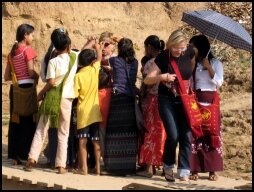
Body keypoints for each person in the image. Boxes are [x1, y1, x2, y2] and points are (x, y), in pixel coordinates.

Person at [144, 29, 196, 181]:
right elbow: (148, 79)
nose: (179, 51)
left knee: (186, 134)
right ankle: (168, 165)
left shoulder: (190, 53)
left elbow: (190, 72)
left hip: (185, 100)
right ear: (169, 45)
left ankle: (184, 170)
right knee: (173, 135)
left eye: (182, 48)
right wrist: (162, 77)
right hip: (167, 100)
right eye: (176, 48)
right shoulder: (162, 57)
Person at [24, 31, 78, 174]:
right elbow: (84, 50)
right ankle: (61, 166)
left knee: (41, 129)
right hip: (66, 99)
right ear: (68, 46)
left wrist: (41, 93)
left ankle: (31, 159)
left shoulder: (53, 61)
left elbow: (51, 82)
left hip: (51, 98)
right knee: (63, 133)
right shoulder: (74, 57)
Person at [189, 34, 224, 181]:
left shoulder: (216, 63)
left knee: (212, 133)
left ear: (200, 47)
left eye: (193, 46)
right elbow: (190, 81)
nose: (191, 49)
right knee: (196, 133)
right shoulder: (193, 63)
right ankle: (194, 169)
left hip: (211, 101)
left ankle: (212, 170)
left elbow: (219, 82)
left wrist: (208, 67)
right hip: (196, 100)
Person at [102, 38, 138, 176]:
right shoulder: (135, 62)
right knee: (129, 134)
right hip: (130, 98)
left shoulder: (114, 61)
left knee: (114, 133)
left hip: (118, 99)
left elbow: (103, 59)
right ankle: (128, 167)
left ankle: (114, 167)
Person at [4, 23, 38, 166]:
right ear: (25, 35)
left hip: (15, 89)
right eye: (31, 34)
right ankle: (25, 155)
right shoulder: (27, 50)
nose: (33, 37)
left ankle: (14, 156)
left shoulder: (12, 53)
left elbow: (6, 76)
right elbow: (30, 71)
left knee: (16, 120)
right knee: (29, 121)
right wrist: (37, 76)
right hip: (28, 88)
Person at [136, 35, 166, 178]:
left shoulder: (151, 64)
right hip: (166, 101)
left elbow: (146, 86)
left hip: (153, 101)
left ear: (148, 47)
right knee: (162, 134)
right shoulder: (168, 60)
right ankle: (163, 166)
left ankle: (148, 167)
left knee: (150, 133)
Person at [73, 37, 103, 175]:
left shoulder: (78, 75)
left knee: (82, 141)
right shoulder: (94, 70)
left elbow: (75, 94)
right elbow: (100, 58)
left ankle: (83, 168)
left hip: (83, 112)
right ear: (92, 62)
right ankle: (98, 168)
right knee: (96, 142)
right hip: (95, 112)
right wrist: (97, 46)